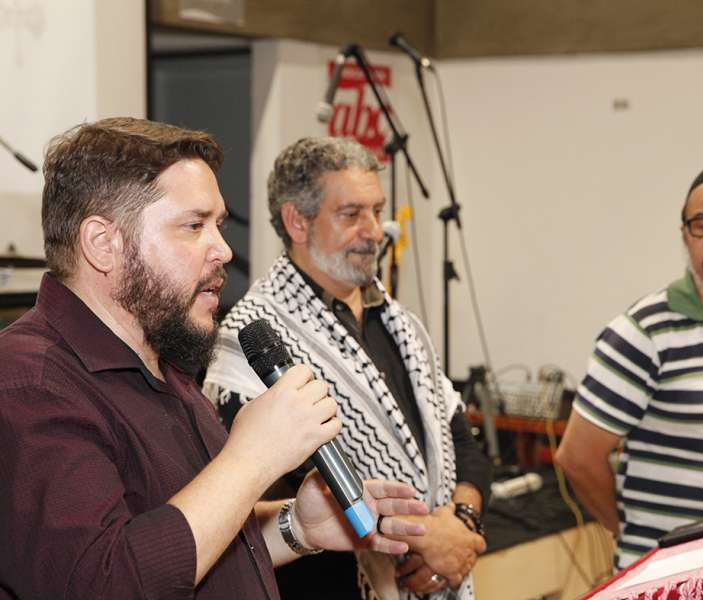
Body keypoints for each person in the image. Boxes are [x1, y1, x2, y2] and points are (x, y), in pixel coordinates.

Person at [0, 118, 430, 600]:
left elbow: (185, 552)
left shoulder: (164, 364)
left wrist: (296, 526)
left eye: (218, 225)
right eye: (193, 226)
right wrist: (252, 460)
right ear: (104, 244)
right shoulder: (29, 384)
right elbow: (106, 582)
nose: (223, 249)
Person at [203, 136, 492, 599]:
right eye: (352, 214)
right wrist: (427, 541)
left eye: (377, 211)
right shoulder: (251, 337)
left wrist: (460, 524)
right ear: (297, 221)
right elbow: (278, 488)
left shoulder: (400, 323)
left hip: (439, 568)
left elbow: (463, 443)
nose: (375, 230)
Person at [555, 162, 703, 570]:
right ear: (685, 236)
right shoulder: (642, 333)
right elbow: (576, 458)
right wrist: (636, 534)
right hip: (671, 582)